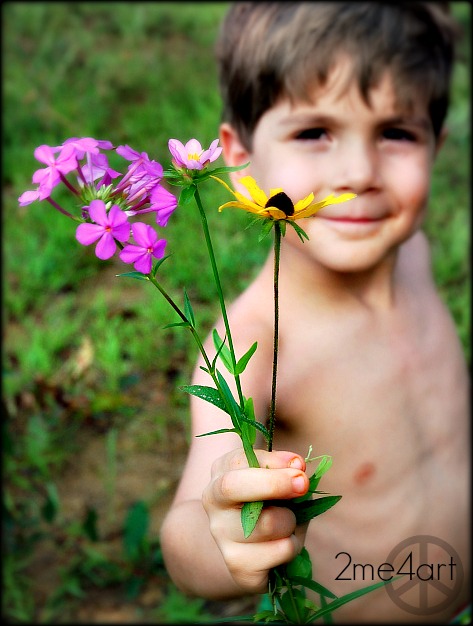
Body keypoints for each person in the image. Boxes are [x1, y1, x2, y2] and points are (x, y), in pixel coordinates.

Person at [160, 3, 470, 622]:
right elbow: (185, 530)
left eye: (396, 133)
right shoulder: (251, 341)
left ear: (436, 144)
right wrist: (221, 537)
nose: (358, 174)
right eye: (314, 132)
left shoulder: (415, 254)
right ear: (237, 152)